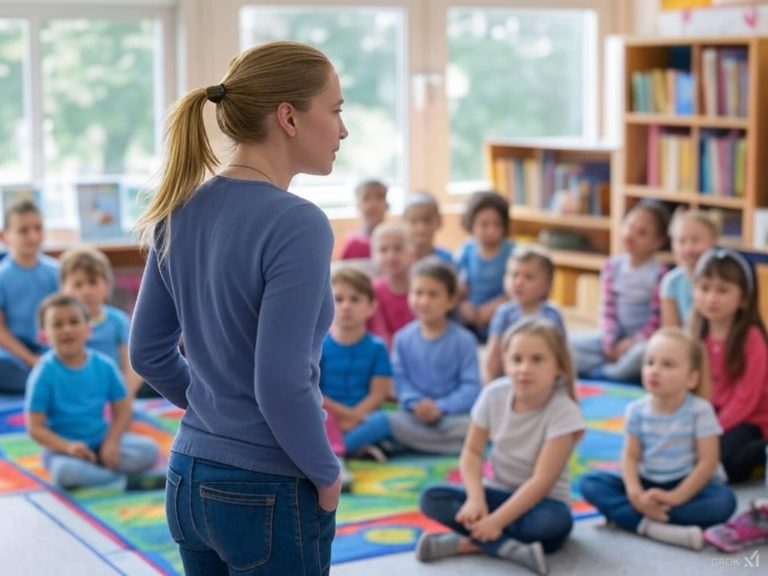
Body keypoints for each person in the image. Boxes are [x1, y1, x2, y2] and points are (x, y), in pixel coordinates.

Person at [129, 41, 348, 575]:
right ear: (289, 118)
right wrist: (326, 472)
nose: (343, 130)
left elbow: (147, 353)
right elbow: (281, 380)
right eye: (336, 110)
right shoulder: (299, 224)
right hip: (267, 486)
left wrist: (216, 413)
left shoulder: (177, 210)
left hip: (187, 475)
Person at [417, 318, 585, 575]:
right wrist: (475, 499)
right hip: (496, 494)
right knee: (431, 497)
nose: (524, 368)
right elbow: (472, 452)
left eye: (537, 360)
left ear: (559, 367)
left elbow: (541, 481)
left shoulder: (565, 412)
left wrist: (497, 521)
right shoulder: (493, 395)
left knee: (553, 524)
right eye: (516, 359)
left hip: (543, 503)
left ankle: (469, 542)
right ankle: (508, 548)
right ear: (505, 362)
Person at [580, 328, 737, 550]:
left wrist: (676, 497)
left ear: (691, 378)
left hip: (687, 484)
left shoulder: (700, 411)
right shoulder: (636, 410)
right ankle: (654, 527)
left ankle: (634, 519)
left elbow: (707, 462)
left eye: (668, 365)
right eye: (650, 362)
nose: (654, 370)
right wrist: (635, 494)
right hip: (647, 484)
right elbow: (630, 456)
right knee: (591, 484)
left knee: (723, 502)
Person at [26, 293, 158, 490]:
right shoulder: (43, 373)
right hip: (63, 451)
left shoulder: (105, 366)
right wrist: (68, 447)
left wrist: (111, 442)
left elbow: (123, 409)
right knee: (65, 472)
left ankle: (100, 474)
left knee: (148, 450)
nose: (67, 329)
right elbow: (35, 428)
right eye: (57, 325)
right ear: (44, 335)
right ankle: (122, 481)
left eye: (74, 322)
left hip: (101, 441)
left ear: (88, 329)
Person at [690, 247, 768, 483]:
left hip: (751, 420)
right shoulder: (695, 333)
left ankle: (762, 453)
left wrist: (710, 429)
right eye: (704, 288)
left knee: (723, 460)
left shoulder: (751, 338)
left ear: (743, 298)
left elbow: (746, 400)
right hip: (711, 415)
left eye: (722, 290)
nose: (711, 298)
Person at [389, 258, 480, 455]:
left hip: (451, 417)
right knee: (383, 420)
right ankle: (436, 444)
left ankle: (406, 443)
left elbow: (471, 387)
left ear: (451, 301)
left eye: (433, 294)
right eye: (418, 293)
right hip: (413, 415)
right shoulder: (402, 339)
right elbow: (399, 382)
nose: (424, 301)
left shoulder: (465, 340)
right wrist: (416, 403)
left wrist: (440, 407)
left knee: (473, 426)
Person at [569, 200, 668, 382]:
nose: (631, 235)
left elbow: (657, 320)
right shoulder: (611, 267)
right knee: (567, 343)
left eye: (642, 233)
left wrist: (631, 343)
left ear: (658, 242)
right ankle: (609, 366)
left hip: (640, 341)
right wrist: (609, 342)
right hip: (612, 338)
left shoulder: (659, 274)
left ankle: (608, 373)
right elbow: (607, 311)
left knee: (644, 353)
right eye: (629, 226)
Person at [321, 267, 393, 473]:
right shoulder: (319, 346)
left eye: (355, 299)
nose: (346, 306)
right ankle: (353, 447)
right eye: (339, 299)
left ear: (371, 307)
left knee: (384, 421)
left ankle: (335, 450)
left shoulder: (377, 347)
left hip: (364, 417)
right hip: (329, 415)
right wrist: (344, 416)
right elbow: (314, 391)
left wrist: (355, 416)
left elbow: (379, 394)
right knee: (313, 417)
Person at [59, 245, 143, 397]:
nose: (86, 291)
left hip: (113, 393)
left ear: (107, 285)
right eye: (78, 285)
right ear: (63, 289)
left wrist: (122, 397)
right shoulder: (61, 325)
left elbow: (133, 366)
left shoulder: (118, 321)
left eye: (93, 282)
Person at [483, 244, 566, 385]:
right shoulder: (504, 314)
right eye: (514, 275)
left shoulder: (552, 315)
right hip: (511, 381)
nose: (518, 282)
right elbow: (492, 359)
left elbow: (562, 357)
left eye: (529, 277)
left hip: (543, 383)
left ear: (547, 285)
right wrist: (489, 386)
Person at [0, 200, 59, 394]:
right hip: (15, 354)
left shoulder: (57, 272)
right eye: (23, 231)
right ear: (5, 236)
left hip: (53, 348)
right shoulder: (3, 276)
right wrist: (30, 359)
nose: (33, 236)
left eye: (38, 228)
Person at [455, 191, 514, 343]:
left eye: (497, 224)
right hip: (471, 317)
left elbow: (516, 291)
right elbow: (459, 285)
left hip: (503, 315)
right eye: (484, 224)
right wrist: (464, 306)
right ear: (471, 224)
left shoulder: (512, 252)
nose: (491, 230)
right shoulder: (466, 250)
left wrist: (490, 310)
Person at [660, 209, 719, 327]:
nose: (688, 248)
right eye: (681, 241)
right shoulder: (671, 282)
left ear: (713, 242)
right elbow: (671, 329)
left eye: (695, 240)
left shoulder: (722, 280)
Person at [367, 222, 415, 348]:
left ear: (412, 253)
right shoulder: (371, 291)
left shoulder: (422, 290)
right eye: (383, 250)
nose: (391, 256)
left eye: (398, 248)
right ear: (373, 256)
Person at [339, 178, 389, 260]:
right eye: (366, 198)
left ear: (387, 204)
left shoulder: (397, 241)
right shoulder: (352, 245)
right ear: (357, 205)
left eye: (379, 197)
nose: (373, 204)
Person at [402, 191, 452, 263]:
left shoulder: (446, 259)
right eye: (413, 221)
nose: (421, 229)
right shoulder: (398, 261)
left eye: (427, 220)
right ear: (403, 222)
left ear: (439, 221)